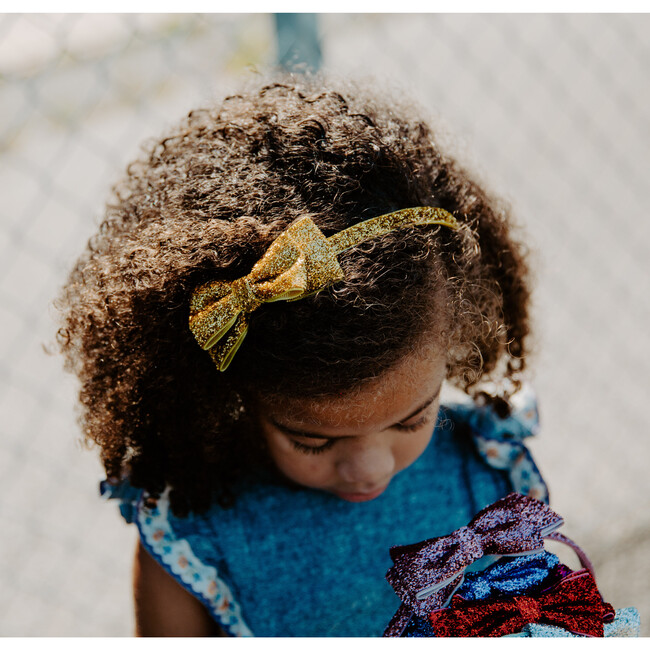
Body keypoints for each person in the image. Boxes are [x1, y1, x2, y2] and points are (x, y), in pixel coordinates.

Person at [56, 74, 547, 637]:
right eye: (312, 439)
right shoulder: (195, 538)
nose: (370, 467)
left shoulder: (488, 473)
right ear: (232, 393)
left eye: (413, 418)